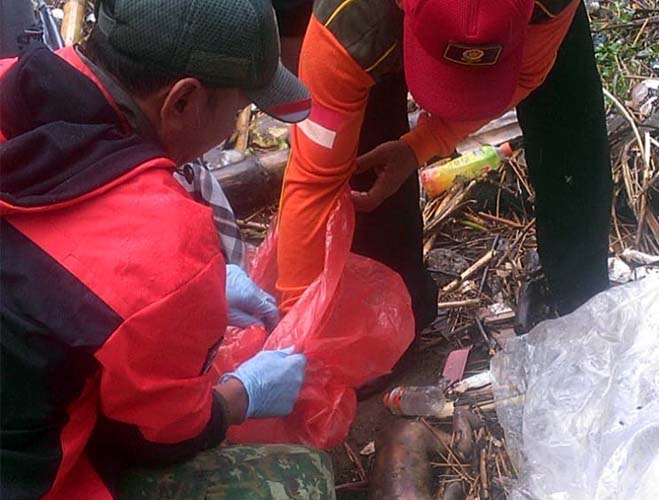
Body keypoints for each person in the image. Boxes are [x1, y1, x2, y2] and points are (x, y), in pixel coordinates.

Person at [0, 1, 335, 499]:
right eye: (239, 107)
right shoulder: (166, 240)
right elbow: (159, 435)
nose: (233, 123)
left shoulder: (12, 76)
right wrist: (239, 397)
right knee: (301, 476)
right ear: (183, 101)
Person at [274, 0, 613, 332]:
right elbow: (314, 179)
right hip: (371, 23)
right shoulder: (344, 26)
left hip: (532, 18)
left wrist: (421, 145)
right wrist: (296, 336)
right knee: (359, 152)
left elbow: (527, 75)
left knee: (567, 104)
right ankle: (394, 315)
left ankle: (579, 293)